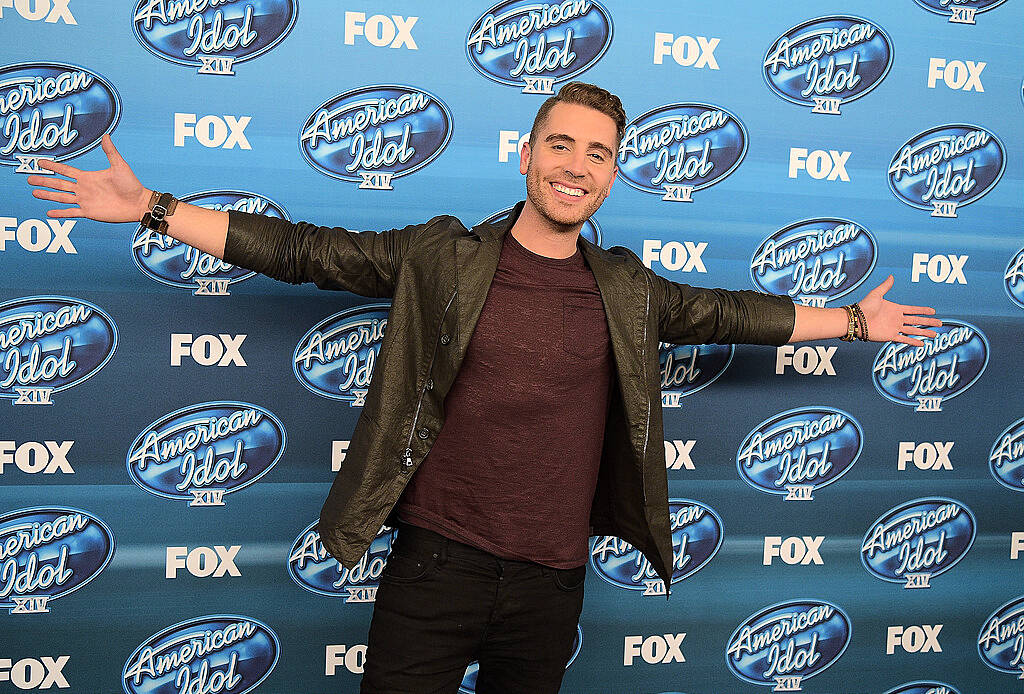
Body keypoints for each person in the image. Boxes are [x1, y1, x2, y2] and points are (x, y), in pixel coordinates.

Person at [27, 82, 939, 694]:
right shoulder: (441, 257)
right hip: (436, 569)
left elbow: (735, 315)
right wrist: (151, 208)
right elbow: (304, 250)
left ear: (613, 173)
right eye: (561, 144)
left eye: (599, 153)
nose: (577, 165)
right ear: (526, 156)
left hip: (552, 582)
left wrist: (858, 321)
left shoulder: (626, 287)